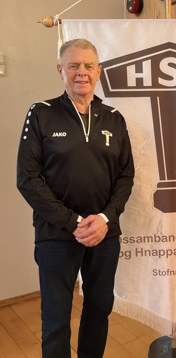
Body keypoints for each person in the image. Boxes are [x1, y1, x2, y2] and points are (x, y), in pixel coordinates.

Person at [17, 38, 135, 358]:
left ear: (99, 71)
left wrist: (105, 218)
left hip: (104, 233)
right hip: (57, 234)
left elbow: (126, 176)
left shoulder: (114, 118)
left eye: (88, 66)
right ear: (61, 71)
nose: (81, 72)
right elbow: (27, 178)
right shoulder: (41, 114)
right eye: (73, 66)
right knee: (56, 319)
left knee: (99, 310)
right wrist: (74, 222)